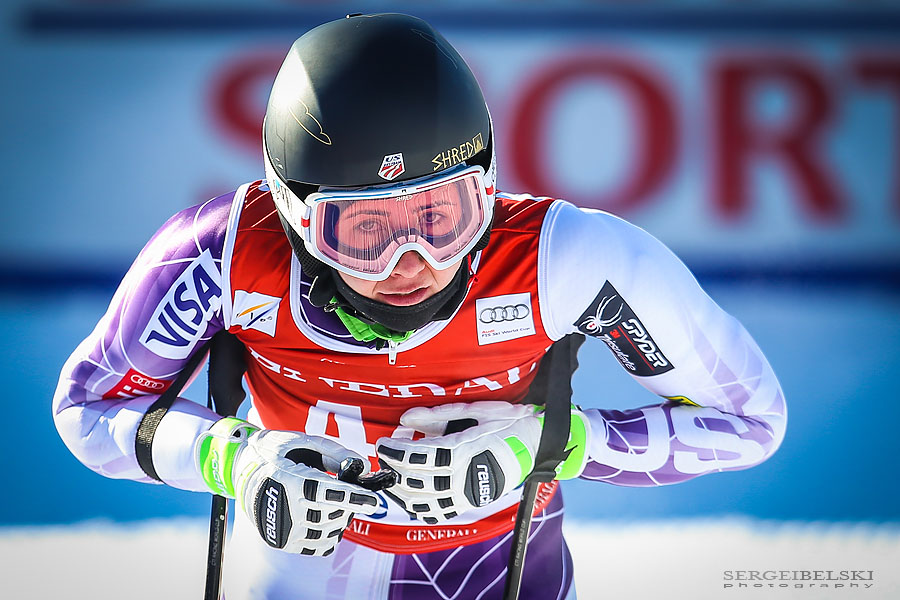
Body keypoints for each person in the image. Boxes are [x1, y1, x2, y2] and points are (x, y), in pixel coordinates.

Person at [53, 12, 786, 600]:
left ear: (488, 187)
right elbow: (86, 407)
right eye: (364, 228)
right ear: (294, 214)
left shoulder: (572, 260)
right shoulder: (222, 254)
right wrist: (236, 459)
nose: (412, 263)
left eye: (441, 215)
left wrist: (547, 445)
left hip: (504, 573)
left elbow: (752, 422)